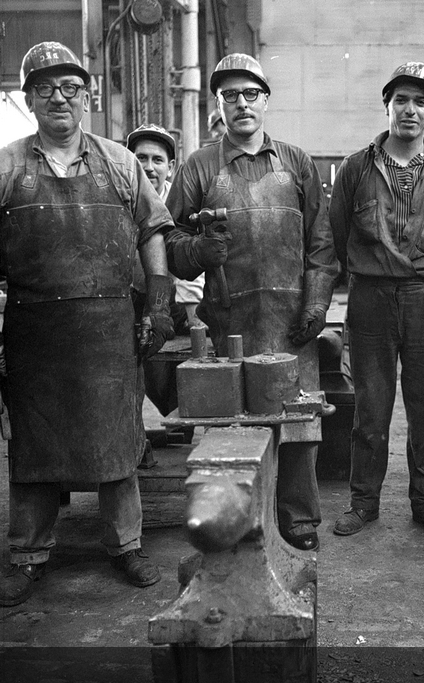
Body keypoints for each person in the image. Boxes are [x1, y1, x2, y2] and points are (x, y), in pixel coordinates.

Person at [0, 41, 174, 607]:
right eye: (45, 87)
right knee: (34, 449)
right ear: (28, 98)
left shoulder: (121, 162)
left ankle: (125, 545)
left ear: (88, 96)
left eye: (70, 87)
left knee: (118, 442)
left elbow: (152, 231)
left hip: (107, 327)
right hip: (34, 332)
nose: (59, 97)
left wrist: (159, 302)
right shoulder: (4, 166)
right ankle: (28, 554)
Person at [164, 53, 338, 552]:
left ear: (266, 100)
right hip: (228, 324)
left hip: (292, 324)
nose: (241, 104)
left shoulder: (297, 162)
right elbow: (171, 244)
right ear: (217, 105)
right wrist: (199, 249)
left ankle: (299, 519)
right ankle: (237, 520)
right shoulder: (199, 167)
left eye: (250, 94)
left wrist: (317, 301)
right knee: (233, 430)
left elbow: (321, 243)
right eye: (229, 96)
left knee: (297, 419)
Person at [329, 62, 424, 541]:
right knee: (371, 408)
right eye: (402, 100)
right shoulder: (354, 169)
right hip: (371, 300)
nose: (411, 110)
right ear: (387, 105)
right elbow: (337, 233)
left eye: (421, 102)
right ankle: (363, 503)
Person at [126, 124, 205, 435]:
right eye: (141, 158)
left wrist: (192, 315)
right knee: (141, 376)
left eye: (157, 160)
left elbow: (189, 260)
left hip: (175, 303)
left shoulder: (179, 200)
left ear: (170, 166)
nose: (149, 167)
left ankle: (180, 422)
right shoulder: (120, 196)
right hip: (131, 298)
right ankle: (133, 439)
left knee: (168, 378)